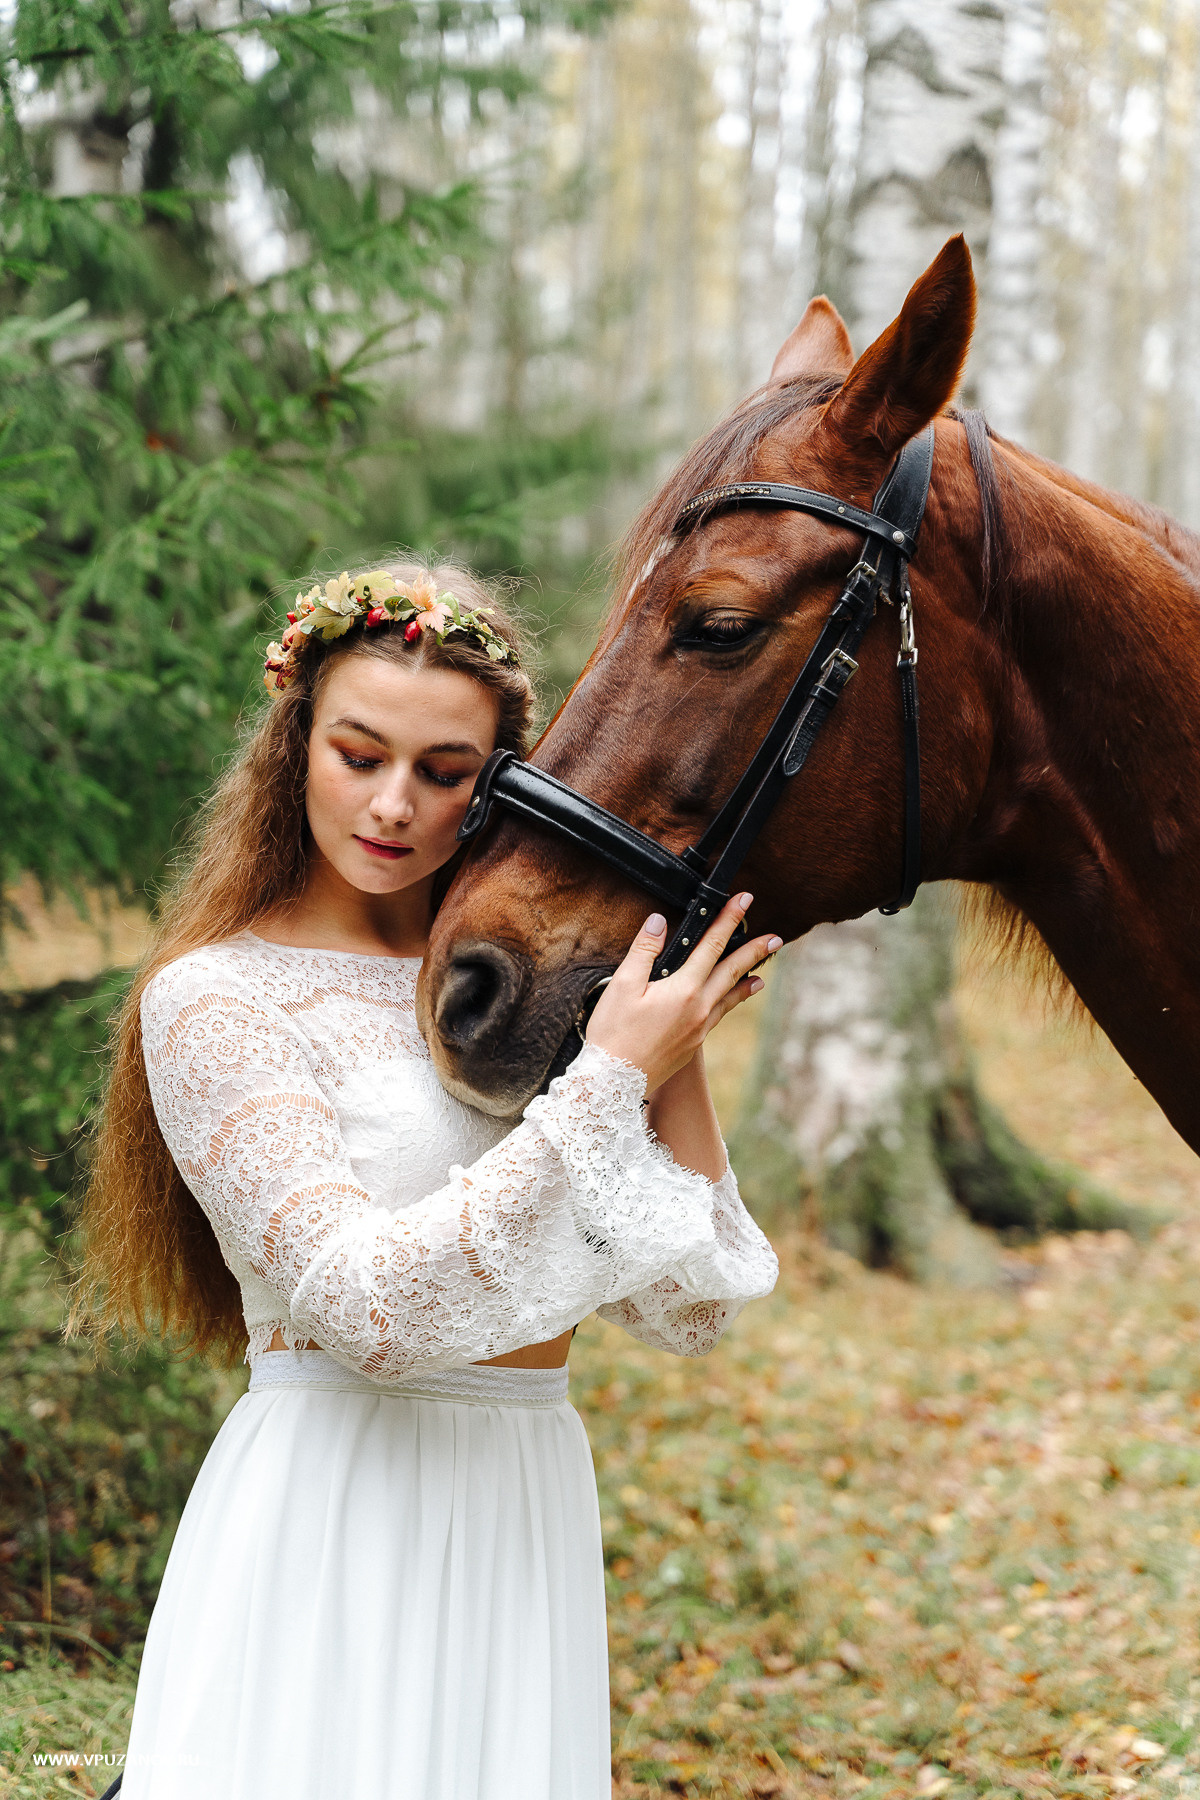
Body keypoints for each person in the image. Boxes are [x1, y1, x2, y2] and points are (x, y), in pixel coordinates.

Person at [66, 559, 780, 1800]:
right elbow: (369, 1317)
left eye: (445, 773)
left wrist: (665, 1051)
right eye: (359, 754)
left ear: (500, 784)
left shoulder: (517, 999)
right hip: (332, 1505)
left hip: (521, 1500)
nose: (394, 803)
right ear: (295, 748)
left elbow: (692, 1308)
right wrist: (609, 1079)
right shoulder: (216, 998)